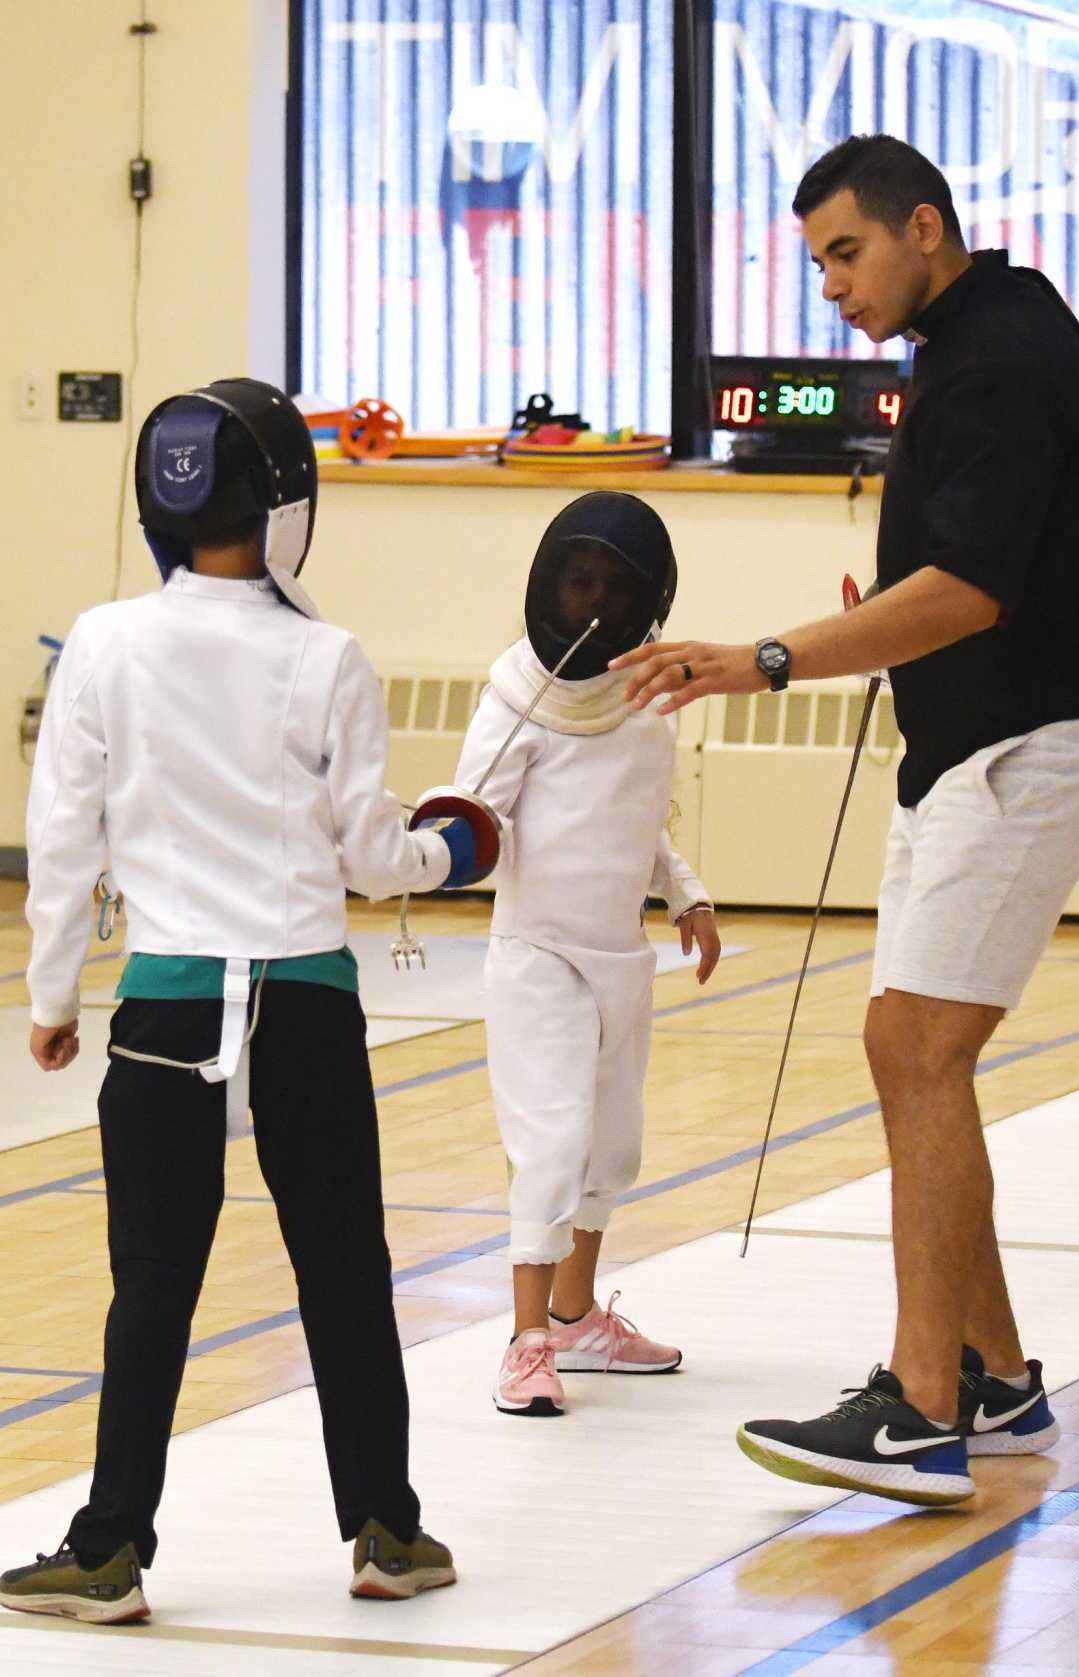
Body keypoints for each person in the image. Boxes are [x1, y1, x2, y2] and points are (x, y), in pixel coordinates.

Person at [614, 134, 1079, 1507]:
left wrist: (771, 655)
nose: (833, 288)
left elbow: (974, 587)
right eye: (818, 265)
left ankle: (923, 1409)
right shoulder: (986, 325)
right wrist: (887, 616)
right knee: (911, 1045)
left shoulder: (1001, 361)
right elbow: (967, 558)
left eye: (846, 255)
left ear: (925, 227)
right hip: (971, 729)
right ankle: (996, 1374)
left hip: (1034, 736)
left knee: (918, 1042)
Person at [4, 379, 473, 1624]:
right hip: (305, 1010)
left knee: (152, 1282)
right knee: (342, 1276)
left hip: (161, 1014)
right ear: (279, 506)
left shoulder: (101, 641)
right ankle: (387, 1532)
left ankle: (108, 1551)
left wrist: (53, 993)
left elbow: (63, 838)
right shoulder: (328, 655)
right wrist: (451, 853)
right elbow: (375, 860)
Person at [461, 492, 722, 1419]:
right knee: (551, 1145)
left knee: (614, 1144)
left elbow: (640, 821)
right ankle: (526, 1342)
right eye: (580, 580)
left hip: (622, 955)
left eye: (617, 586)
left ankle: (575, 1318)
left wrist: (683, 891)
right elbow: (475, 812)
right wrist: (431, 844)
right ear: (547, 583)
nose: (596, 601)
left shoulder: (649, 698)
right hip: (538, 956)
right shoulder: (514, 700)